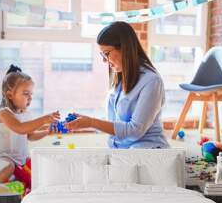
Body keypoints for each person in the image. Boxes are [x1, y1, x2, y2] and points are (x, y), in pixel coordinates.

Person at [65, 21, 169, 149]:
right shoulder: (120, 76)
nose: (104, 60)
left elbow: (135, 131)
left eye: (106, 53)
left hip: (145, 150)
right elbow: (115, 121)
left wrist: (92, 122)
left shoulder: (152, 81)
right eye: (102, 54)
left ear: (124, 48)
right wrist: (85, 124)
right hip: (120, 148)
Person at [0, 64, 60, 191]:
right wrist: (44, 119)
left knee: (36, 167)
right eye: (26, 94)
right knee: (8, 167)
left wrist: (47, 131)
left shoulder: (25, 113)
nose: (30, 97)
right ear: (9, 95)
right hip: (3, 158)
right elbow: (20, 128)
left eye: (31, 94)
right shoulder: (4, 113)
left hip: (21, 160)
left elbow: (30, 135)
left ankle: (15, 188)